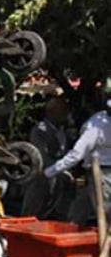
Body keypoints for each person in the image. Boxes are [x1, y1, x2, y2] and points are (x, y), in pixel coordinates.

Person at [44, 90, 111, 225]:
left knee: (105, 215)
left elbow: (77, 154)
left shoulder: (97, 125)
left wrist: (48, 172)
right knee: (79, 211)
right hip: (97, 172)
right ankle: (71, 230)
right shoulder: (98, 124)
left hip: (102, 175)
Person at [21, 97, 73, 218]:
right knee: (33, 212)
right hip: (41, 179)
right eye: (62, 110)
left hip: (59, 182)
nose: (65, 114)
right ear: (51, 112)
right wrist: (61, 171)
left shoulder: (63, 131)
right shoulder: (39, 131)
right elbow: (42, 157)